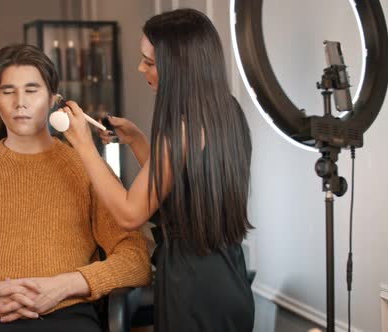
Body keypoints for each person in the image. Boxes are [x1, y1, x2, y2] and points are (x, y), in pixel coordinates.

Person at [61, 8, 255, 332]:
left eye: (149, 62)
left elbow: (129, 213)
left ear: (179, 66)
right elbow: (181, 186)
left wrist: (82, 145)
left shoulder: (182, 128)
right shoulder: (225, 111)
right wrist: (136, 139)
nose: (141, 68)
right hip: (228, 279)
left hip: (192, 288)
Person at [0, 43, 151, 332]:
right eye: (8, 92)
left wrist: (65, 285)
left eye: (32, 91)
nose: (21, 102)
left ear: (53, 99)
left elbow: (136, 259)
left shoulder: (86, 168)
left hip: (65, 315)